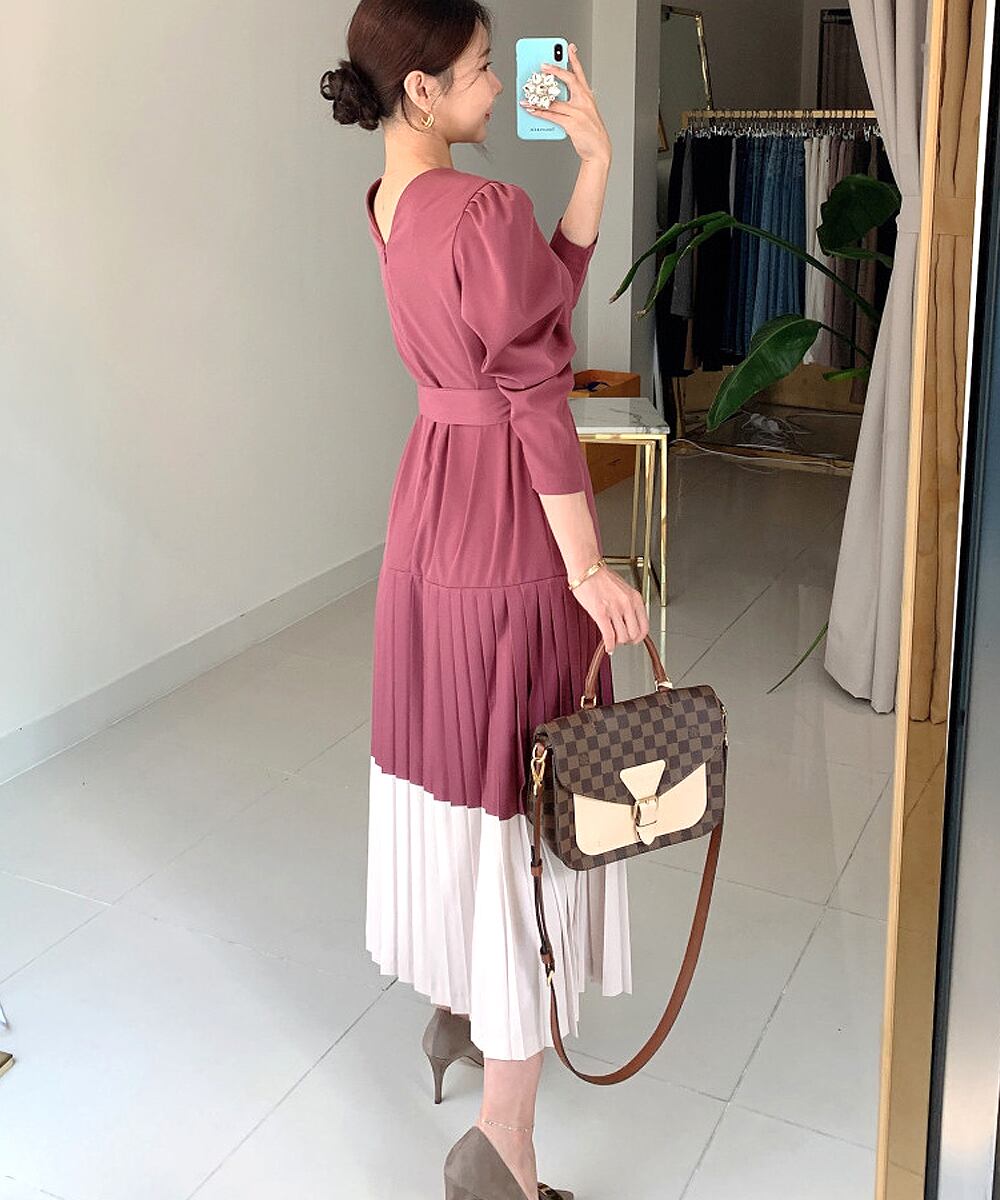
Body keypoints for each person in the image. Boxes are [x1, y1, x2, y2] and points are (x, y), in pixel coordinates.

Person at [322, 4, 648, 1197]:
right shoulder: (486, 206)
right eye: (476, 70)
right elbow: (539, 393)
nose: (496, 85)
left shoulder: (392, 201)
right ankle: (501, 1146)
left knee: (460, 765)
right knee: (524, 795)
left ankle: (459, 1010)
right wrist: (588, 567)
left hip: (431, 511)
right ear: (419, 89)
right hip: (509, 521)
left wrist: (593, 163)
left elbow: (531, 318)